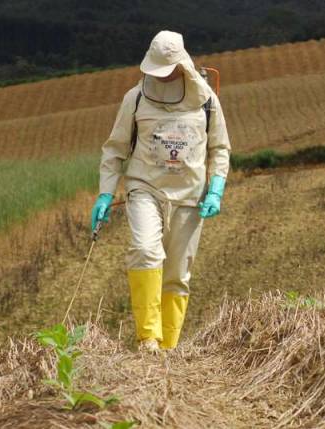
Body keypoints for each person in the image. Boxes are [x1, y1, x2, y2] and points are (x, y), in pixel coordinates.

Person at [90, 30, 231, 353]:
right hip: (145, 189)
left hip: (190, 197)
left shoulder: (207, 99)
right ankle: (148, 339)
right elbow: (114, 150)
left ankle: (168, 349)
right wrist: (105, 194)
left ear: (181, 64)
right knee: (144, 249)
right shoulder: (135, 98)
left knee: (178, 274)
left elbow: (220, 148)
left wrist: (216, 189)